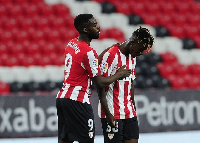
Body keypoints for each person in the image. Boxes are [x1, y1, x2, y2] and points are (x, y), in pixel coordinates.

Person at [56, 14, 132, 143]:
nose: (98, 27)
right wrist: (119, 75)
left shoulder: (71, 43)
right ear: (85, 29)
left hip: (63, 98)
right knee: (87, 139)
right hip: (78, 100)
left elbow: (85, 62)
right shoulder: (88, 52)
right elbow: (99, 82)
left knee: (64, 139)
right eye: (94, 24)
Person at [98, 26, 154, 143]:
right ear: (132, 43)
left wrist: (133, 108)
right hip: (112, 112)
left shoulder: (132, 58)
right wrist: (107, 114)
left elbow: (131, 83)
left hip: (129, 112)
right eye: (140, 49)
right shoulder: (111, 55)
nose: (140, 53)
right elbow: (100, 84)